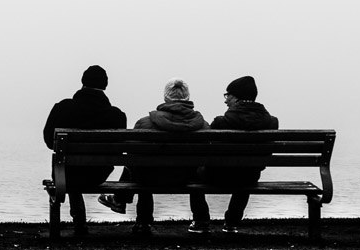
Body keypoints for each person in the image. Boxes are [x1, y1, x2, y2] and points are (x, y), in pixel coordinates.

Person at [97, 78, 211, 235]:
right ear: (187, 98)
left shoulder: (145, 124)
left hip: (150, 178)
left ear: (166, 98)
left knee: (142, 165)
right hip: (187, 178)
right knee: (193, 169)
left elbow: (131, 156)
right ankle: (201, 221)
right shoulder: (203, 126)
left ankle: (142, 222)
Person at [43, 65, 128, 237]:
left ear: (82, 82)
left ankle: (79, 223)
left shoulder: (63, 108)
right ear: (105, 85)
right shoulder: (117, 115)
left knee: (69, 167)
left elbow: (48, 141)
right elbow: (121, 147)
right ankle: (80, 223)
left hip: (66, 174)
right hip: (98, 174)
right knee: (77, 168)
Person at [190, 75, 279, 233]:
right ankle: (232, 222)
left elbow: (206, 151)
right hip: (250, 177)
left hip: (217, 176)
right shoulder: (272, 122)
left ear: (237, 98)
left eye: (228, 95)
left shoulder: (220, 122)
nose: (225, 100)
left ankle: (201, 220)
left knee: (192, 173)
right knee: (247, 172)